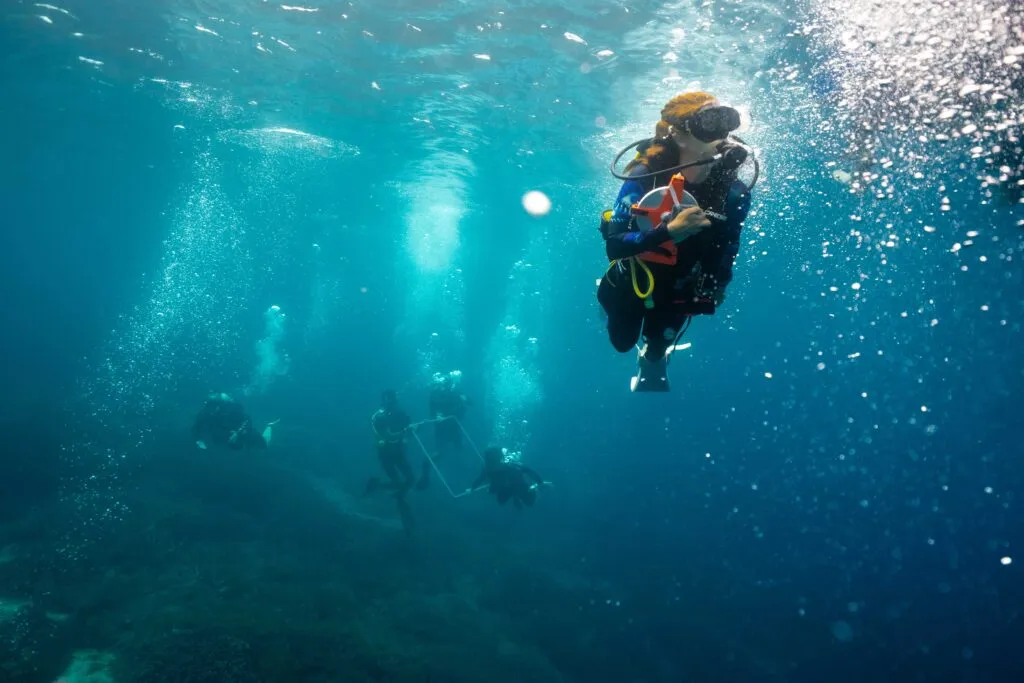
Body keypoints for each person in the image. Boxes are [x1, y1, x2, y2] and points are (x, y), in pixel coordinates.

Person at [597, 91, 754, 390]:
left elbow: (731, 239)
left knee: (658, 349)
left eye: (726, 122)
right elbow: (614, 245)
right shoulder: (645, 175)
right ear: (678, 133)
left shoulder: (733, 190)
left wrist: (720, 282)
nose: (721, 134)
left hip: (683, 283)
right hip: (636, 277)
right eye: (710, 123)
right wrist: (667, 231)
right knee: (621, 343)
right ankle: (606, 297)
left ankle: (652, 357)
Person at [364, 390, 429, 497]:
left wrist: (416, 428)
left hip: (399, 452)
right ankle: (375, 487)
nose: (392, 405)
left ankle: (399, 497)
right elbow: (389, 436)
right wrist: (406, 431)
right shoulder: (378, 417)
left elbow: (408, 432)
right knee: (397, 482)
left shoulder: (401, 414)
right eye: (390, 403)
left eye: (394, 402)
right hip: (385, 453)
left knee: (410, 480)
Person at [191, 392, 278, 451]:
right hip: (224, 434)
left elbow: (247, 420)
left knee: (264, 445)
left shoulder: (232, 408)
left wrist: (238, 433)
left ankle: (269, 426)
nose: (212, 411)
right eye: (210, 408)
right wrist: (198, 441)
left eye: (214, 408)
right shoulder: (205, 412)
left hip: (240, 430)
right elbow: (196, 427)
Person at [468, 446, 548, 510]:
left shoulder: (510, 466)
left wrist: (539, 482)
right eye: (489, 462)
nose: (491, 464)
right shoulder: (488, 469)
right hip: (505, 486)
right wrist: (472, 488)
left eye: (492, 462)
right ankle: (515, 495)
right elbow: (481, 478)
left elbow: (527, 469)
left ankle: (520, 494)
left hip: (515, 484)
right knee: (500, 501)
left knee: (529, 502)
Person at [427, 370, 469, 455]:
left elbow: (467, 402)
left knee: (455, 441)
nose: (440, 387)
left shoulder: (453, 393)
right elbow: (433, 408)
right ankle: (440, 452)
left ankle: (456, 451)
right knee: (442, 444)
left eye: (442, 385)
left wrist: (463, 398)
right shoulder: (435, 394)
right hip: (444, 424)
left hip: (451, 422)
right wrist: (437, 415)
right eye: (439, 385)